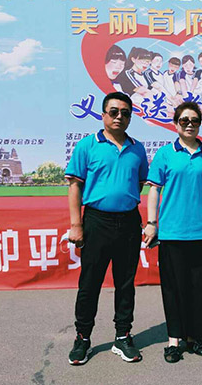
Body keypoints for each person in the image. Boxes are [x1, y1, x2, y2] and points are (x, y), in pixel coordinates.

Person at [65, 91, 149, 366]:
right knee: (90, 283)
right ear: (103, 115)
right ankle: (83, 337)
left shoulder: (137, 149)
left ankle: (122, 336)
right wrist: (76, 225)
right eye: (114, 112)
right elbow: (75, 186)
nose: (119, 117)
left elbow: (139, 183)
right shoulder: (87, 145)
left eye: (125, 113)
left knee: (125, 283)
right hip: (96, 222)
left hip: (128, 222)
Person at [144, 102, 202, 363]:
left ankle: (196, 337)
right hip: (172, 232)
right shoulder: (165, 154)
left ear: (200, 124)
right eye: (184, 120)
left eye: (194, 120)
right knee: (173, 288)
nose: (189, 124)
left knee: (200, 287)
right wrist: (152, 222)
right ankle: (174, 340)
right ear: (176, 123)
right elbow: (154, 190)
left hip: (201, 231)